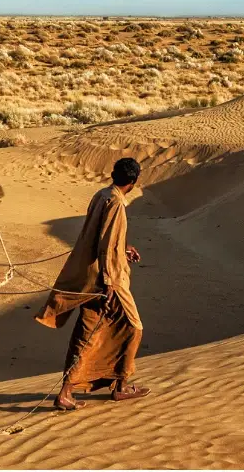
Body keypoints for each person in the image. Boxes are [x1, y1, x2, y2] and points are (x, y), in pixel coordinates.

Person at [35, 157, 150, 410]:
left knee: (91, 332)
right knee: (133, 327)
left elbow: (103, 238)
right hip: (106, 280)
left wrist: (123, 249)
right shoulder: (116, 203)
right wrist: (108, 282)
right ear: (133, 181)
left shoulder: (102, 194)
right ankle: (112, 387)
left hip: (93, 275)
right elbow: (107, 243)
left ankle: (110, 386)